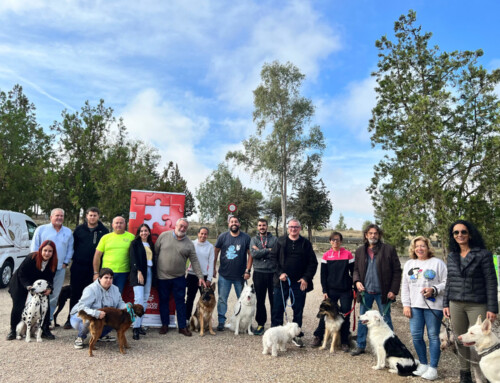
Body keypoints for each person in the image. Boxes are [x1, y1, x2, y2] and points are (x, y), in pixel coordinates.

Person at [443, 220, 498, 383]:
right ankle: (465, 374)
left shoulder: (484, 255)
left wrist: (492, 307)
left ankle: (487, 375)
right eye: (456, 233)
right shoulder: (452, 256)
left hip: (477, 303)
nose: (460, 235)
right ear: (452, 236)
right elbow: (449, 280)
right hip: (456, 303)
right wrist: (445, 303)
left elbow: (491, 281)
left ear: (470, 234)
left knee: (482, 339)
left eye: (463, 232)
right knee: (461, 340)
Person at [351, 223, 402, 356]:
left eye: (375, 233)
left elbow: (397, 271)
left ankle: (391, 347)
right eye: (370, 233)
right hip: (365, 292)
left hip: (383, 292)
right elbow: (355, 270)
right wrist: (357, 282)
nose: (373, 236)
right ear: (366, 235)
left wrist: (394, 290)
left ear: (379, 235)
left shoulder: (388, 249)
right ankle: (360, 345)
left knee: (386, 320)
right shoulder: (360, 251)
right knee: (363, 319)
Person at [402, 236, 447, 381]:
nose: (419, 249)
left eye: (423, 246)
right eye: (417, 246)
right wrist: (406, 304)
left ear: (428, 248)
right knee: (416, 336)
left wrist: (434, 289)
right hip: (415, 306)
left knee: (433, 336)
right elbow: (405, 287)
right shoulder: (410, 264)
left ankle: (433, 368)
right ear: (413, 249)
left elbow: (448, 282)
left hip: (433, 306)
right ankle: (423, 364)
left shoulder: (437, 263)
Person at [269, 219, 318, 348]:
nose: (293, 229)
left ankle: (296, 336)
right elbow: (273, 259)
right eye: (291, 227)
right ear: (288, 228)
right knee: (277, 309)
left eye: (296, 227)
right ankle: (275, 335)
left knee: (298, 310)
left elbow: (313, 263)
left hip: (299, 283)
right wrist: (280, 273)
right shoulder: (280, 241)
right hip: (282, 281)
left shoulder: (305, 244)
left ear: (300, 228)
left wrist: (306, 278)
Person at [154, 218, 206, 336]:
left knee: (180, 303)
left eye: (185, 227)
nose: (182, 229)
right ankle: (165, 325)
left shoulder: (189, 243)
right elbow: (156, 253)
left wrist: (200, 276)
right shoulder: (163, 236)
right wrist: (154, 273)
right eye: (181, 226)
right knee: (164, 302)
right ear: (175, 225)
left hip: (179, 278)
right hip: (162, 277)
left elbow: (194, 261)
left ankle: (182, 327)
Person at [31, 208, 74, 335]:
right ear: (51, 217)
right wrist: (35, 263)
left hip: (59, 268)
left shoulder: (68, 232)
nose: (59, 218)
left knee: (54, 296)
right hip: (42, 268)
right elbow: (34, 247)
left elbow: (70, 248)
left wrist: (66, 262)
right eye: (57, 215)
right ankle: (34, 320)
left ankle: (48, 320)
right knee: (38, 293)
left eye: (61, 216)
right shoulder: (41, 230)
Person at [311, 231, 354, 352]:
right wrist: (325, 290)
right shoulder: (326, 256)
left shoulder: (348, 255)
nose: (335, 242)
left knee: (345, 314)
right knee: (325, 313)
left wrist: (355, 287)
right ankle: (318, 336)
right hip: (331, 290)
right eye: (333, 240)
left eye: (338, 240)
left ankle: (344, 341)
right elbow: (323, 275)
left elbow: (354, 271)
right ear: (330, 241)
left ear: (341, 241)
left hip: (345, 290)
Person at [7, 240, 58, 340]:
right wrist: (28, 287)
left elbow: (50, 279)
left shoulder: (53, 262)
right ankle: (13, 330)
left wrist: (50, 289)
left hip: (38, 285)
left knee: (44, 304)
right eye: (45, 250)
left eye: (50, 251)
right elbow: (22, 274)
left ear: (53, 253)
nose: (47, 253)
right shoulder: (32, 257)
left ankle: (45, 330)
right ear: (41, 250)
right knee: (18, 305)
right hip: (21, 282)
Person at [68, 207, 109, 329]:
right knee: (75, 292)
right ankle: (71, 318)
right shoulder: (79, 230)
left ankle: (92, 319)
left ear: (98, 216)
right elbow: (73, 246)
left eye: (95, 215)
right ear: (86, 216)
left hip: (94, 268)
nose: (92, 217)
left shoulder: (104, 231)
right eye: (90, 215)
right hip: (78, 266)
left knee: (93, 294)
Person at [70, 268, 126, 349]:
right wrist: (96, 313)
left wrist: (126, 307)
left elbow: (119, 303)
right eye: (106, 277)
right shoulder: (91, 289)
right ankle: (80, 337)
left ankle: (99, 335)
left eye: (111, 278)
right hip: (78, 317)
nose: (109, 280)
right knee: (89, 319)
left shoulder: (115, 289)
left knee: (117, 317)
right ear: (99, 278)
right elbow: (81, 307)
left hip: (101, 316)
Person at [213, 216, 252, 331]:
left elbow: (251, 254)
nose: (234, 223)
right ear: (228, 224)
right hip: (224, 275)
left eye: (236, 221)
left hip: (240, 276)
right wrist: (213, 268)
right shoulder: (223, 237)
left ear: (239, 224)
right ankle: (221, 321)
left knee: (244, 299)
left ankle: (245, 323)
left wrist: (248, 270)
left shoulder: (245, 237)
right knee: (222, 299)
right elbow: (216, 251)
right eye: (231, 222)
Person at [93, 216, 134, 293]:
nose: (119, 225)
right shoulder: (105, 237)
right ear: (112, 225)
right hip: (106, 272)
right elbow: (97, 255)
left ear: (125, 224)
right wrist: (96, 272)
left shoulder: (131, 237)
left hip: (123, 273)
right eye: (116, 223)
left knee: (117, 295)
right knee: (103, 294)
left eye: (121, 223)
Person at [250, 218, 277, 335]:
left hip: (272, 273)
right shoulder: (254, 239)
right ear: (257, 227)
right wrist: (268, 250)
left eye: (264, 225)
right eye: (260, 225)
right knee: (260, 301)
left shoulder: (274, 239)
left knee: (274, 300)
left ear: (267, 226)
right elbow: (253, 254)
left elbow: (275, 253)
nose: (262, 227)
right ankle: (261, 324)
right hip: (259, 273)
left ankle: (275, 325)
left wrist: (261, 250)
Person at [129, 224, 154, 340]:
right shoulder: (135, 244)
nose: (144, 233)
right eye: (142, 231)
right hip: (138, 272)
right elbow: (133, 258)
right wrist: (139, 271)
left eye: (146, 231)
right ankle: (135, 327)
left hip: (149, 272)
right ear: (139, 233)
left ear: (149, 232)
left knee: (145, 299)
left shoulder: (151, 244)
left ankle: (139, 326)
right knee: (138, 299)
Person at [185, 226, 214, 320]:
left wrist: (209, 279)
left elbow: (211, 263)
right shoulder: (191, 244)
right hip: (192, 275)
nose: (203, 235)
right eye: (201, 233)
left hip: (204, 277)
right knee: (190, 299)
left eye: (205, 234)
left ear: (207, 235)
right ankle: (186, 319)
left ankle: (202, 320)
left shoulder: (210, 247)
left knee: (205, 300)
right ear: (198, 234)